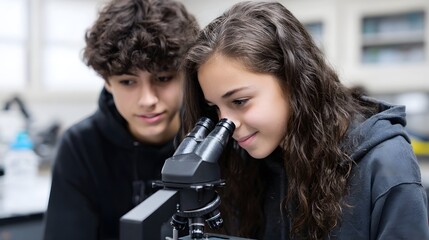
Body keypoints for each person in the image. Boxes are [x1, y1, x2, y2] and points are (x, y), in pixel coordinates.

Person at [180, 1, 429, 239]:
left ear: (292, 81)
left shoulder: (385, 162)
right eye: (215, 108)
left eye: (239, 101)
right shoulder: (250, 164)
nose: (227, 125)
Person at [43, 0, 199, 239]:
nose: (148, 99)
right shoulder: (80, 147)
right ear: (107, 81)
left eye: (164, 78)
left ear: (185, 74)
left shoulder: (211, 141)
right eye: (128, 82)